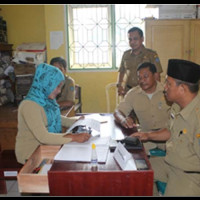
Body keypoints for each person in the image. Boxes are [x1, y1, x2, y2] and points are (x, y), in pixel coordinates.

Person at [131, 59, 200, 196]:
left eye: (168, 84)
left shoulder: (197, 116)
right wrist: (148, 135)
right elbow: (170, 131)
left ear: (182, 89)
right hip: (170, 163)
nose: (164, 87)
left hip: (188, 175)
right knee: (136, 171)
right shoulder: (176, 105)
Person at [15, 63, 91, 164]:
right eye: (57, 87)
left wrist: (77, 121)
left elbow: (57, 118)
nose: (59, 91)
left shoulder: (46, 100)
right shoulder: (30, 105)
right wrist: (74, 137)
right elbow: (43, 137)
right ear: (46, 83)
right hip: (32, 154)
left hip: (45, 148)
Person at [114, 62, 171, 153]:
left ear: (155, 75)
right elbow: (118, 111)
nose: (142, 80)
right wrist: (123, 119)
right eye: (139, 78)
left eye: (145, 76)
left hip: (167, 137)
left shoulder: (167, 91)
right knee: (131, 155)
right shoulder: (133, 93)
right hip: (145, 138)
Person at [117, 27, 163, 96]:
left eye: (135, 39)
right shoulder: (126, 55)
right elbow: (122, 71)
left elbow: (157, 76)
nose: (132, 42)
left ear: (142, 39)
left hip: (145, 92)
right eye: (130, 39)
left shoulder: (151, 55)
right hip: (128, 92)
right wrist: (119, 85)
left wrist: (155, 93)